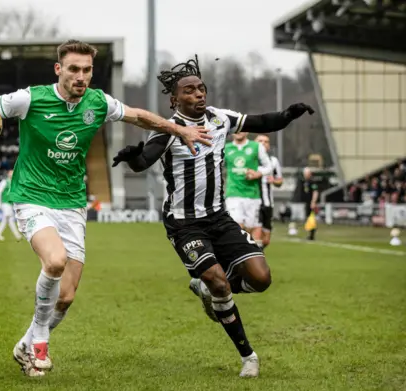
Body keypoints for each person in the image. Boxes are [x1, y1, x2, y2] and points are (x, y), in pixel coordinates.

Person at [0, 40, 211, 377]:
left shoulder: (98, 102)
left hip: (72, 203)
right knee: (54, 261)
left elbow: (140, 117)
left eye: (86, 70)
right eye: (73, 69)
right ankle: (40, 343)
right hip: (31, 196)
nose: (81, 76)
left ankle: (25, 344)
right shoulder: (31, 98)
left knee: (66, 297)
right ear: (59, 69)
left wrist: (179, 129)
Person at [111, 57, 314, 378]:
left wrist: (288, 115)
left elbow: (261, 121)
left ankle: (208, 288)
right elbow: (143, 162)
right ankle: (248, 356)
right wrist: (132, 155)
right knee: (219, 281)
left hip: (219, 217)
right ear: (175, 100)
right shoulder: (168, 130)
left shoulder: (221, 119)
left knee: (261, 279)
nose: (199, 94)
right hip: (184, 222)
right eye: (189, 91)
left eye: (201, 88)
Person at [224, 131, 272, 247]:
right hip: (233, 193)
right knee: (236, 226)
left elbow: (268, 167)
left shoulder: (256, 147)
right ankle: (236, 258)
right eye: (235, 129)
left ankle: (247, 255)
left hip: (252, 194)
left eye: (241, 129)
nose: (238, 132)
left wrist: (258, 173)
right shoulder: (226, 148)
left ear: (247, 131)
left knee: (250, 228)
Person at [254, 135, 283, 248]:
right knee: (256, 236)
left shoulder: (273, 161)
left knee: (266, 240)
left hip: (268, 204)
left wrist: (274, 180)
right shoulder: (250, 159)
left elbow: (280, 181)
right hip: (254, 202)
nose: (263, 143)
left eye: (266, 141)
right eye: (260, 141)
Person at [0, 169, 22, 242]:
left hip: (10, 203)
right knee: (7, 218)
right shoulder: (4, 182)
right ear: (8, 174)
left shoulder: (13, 183)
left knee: (10, 220)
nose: (12, 174)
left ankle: (17, 235)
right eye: (11, 173)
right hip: (5, 203)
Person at [302, 167, 319, 240]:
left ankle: (312, 235)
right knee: (308, 218)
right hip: (307, 202)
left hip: (311, 203)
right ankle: (310, 234)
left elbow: (315, 192)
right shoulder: (306, 182)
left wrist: (313, 202)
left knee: (311, 218)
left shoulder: (313, 182)